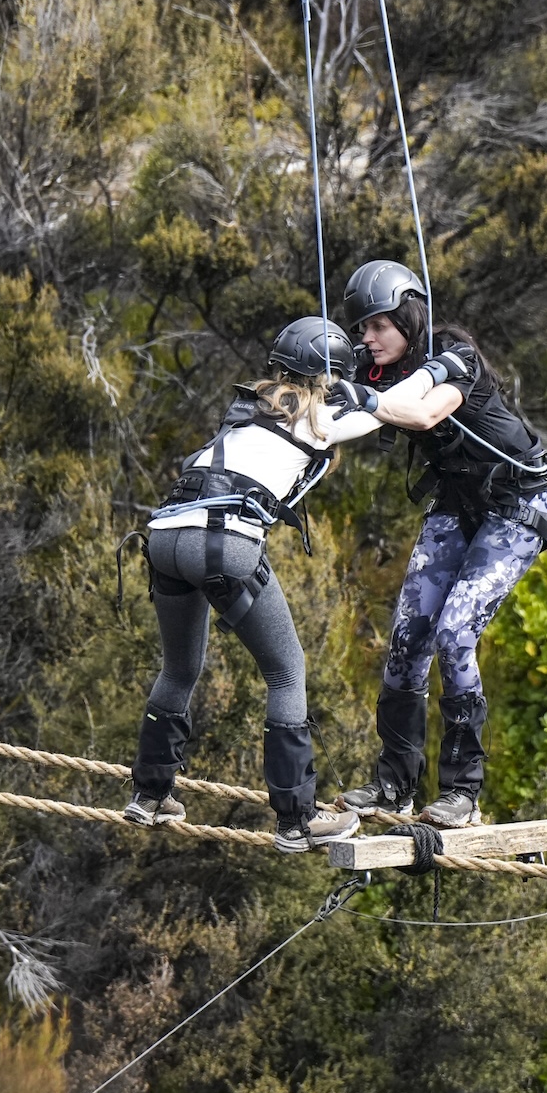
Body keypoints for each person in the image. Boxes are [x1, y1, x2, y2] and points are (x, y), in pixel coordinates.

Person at [330, 261, 547, 829]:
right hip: (457, 504)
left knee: (454, 631)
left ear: (408, 319)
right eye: (361, 329)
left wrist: (361, 399)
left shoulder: (454, 356)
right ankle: (394, 786)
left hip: (515, 507)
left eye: (377, 326)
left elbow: (420, 409)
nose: (366, 338)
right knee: (407, 637)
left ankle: (462, 794)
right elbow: (341, 418)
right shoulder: (375, 373)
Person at [125, 316, 380, 854]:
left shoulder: (248, 409)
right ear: (328, 378)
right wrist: (435, 371)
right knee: (287, 671)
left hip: (165, 534)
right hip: (221, 541)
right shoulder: (322, 417)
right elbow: (395, 411)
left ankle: (149, 796)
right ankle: (296, 822)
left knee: (178, 668)